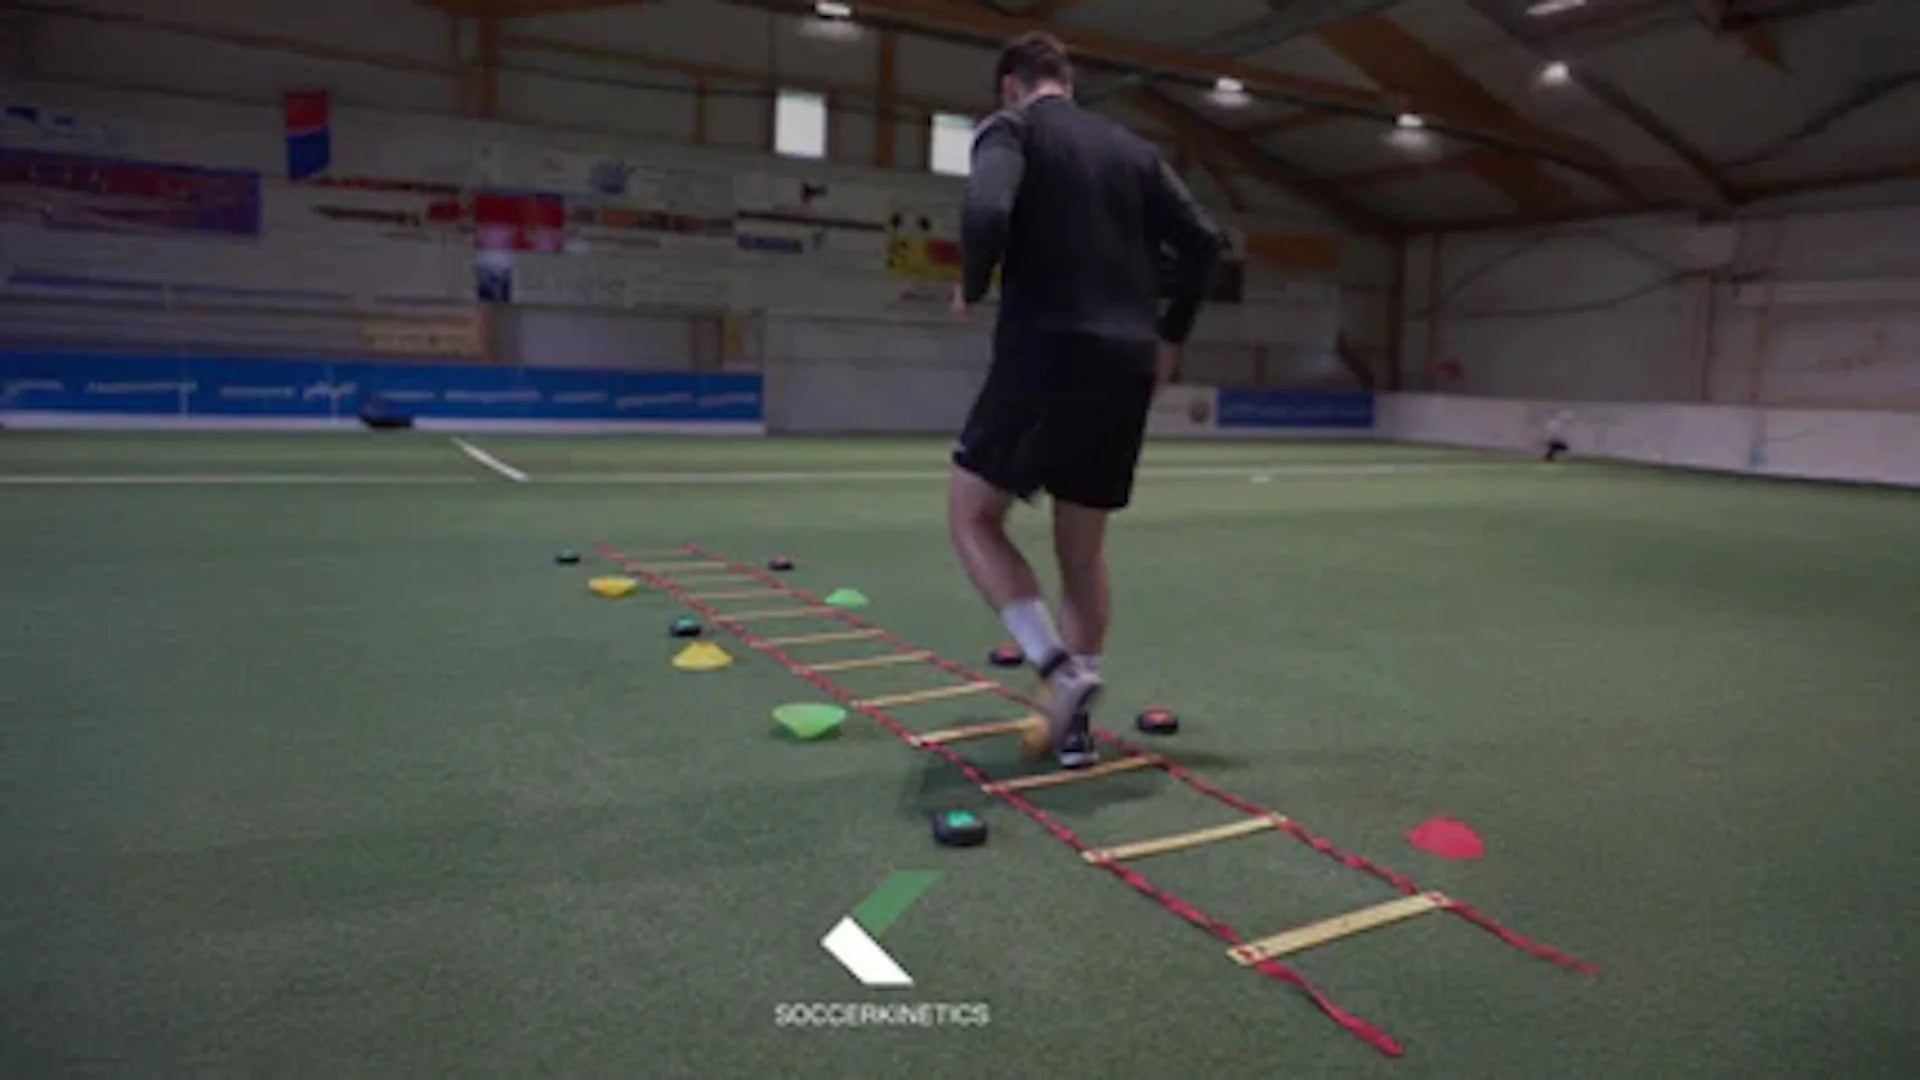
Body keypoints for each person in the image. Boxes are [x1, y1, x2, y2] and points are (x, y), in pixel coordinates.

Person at [947, 32, 1227, 768]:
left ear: (1011, 84)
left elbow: (984, 214)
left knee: (973, 517)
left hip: (1048, 348)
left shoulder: (1011, 130)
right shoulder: (1133, 152)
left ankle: (1056, 669)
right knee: (1083, 552)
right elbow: (1205, 244)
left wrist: (972, 284)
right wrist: (1170, 334)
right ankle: (1074, 726)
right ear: (1066, 82)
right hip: (1127, 361)